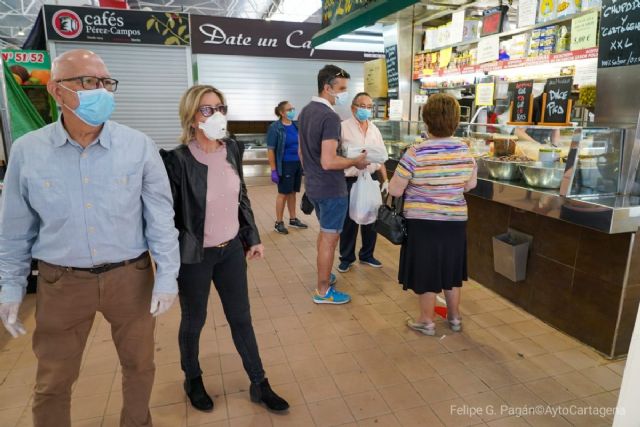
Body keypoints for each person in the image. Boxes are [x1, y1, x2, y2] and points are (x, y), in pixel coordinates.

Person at [0, 49, 180, 427]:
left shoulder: (138, 145)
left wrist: (167, 276)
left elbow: (160, 217)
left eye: (105, 82)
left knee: (140, 366)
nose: (100, 90)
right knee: (53, 380)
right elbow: (15, 229)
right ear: (56, 91)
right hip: (61, 283)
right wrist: (11, 287)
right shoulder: (28, 152)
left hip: (130, 278)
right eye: (87, 81)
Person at [161, 85, 289, 413]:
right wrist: (165, 264)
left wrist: (252, 236)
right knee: (194, 320)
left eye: (220, 108)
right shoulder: (176, 160)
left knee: (241, 318)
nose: (216, 114)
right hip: (196, 256)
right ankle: (193, 378)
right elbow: (167, 216)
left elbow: (240, 195)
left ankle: (259, 383)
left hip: (230, 250)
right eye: (207, 109)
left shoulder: (232, 148)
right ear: (192, 117)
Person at [388, 93, 477, 336]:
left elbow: (395, 190)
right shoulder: (465, 150)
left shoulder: (416, 152)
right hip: (454, 221)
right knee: (450, 268)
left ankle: (426, 321)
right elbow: (470, 185)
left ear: (426, 120)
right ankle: (455, 318)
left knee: (426, 269)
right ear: (456, 121)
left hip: (423, 221)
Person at [298, 64, 368, 304]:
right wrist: (355, 161)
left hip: (314, 186)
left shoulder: (306, 111)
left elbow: (302, 152)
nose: (344, 93)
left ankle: (325, 276)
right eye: (342, 89)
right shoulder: (329, 117)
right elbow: (328, 161)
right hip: (331, 188)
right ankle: (323, 291)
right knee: (330, 239)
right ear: (327, 88)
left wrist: (312, 173)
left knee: (324, 233)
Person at [337, 92, 388, 273]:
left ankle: (367, 254)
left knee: (371, 218)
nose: (366, 110)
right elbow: (335, 154)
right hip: (350, 180)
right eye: (362, 106)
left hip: (371, 179)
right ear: (353, 108)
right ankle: (346, 258)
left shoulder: (374, 129)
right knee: (349, 221)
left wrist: (385, 179)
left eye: (369, 107)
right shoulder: (342, 127)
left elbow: (381, 157)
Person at [266, 100, 308, 234]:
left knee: (293, 192)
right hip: (285, 165)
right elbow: (271, 150)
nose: (292, 111)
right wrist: (273, 170)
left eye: (293, 109)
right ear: (281, 112)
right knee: (283, 194)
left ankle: (293, 219)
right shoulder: (275, 127)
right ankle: (278, 222)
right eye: (289, 110)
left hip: (297, 164)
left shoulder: (296, 125)